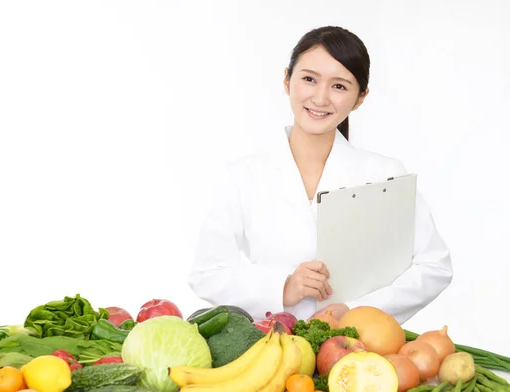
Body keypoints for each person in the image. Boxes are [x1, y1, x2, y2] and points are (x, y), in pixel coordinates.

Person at [187, 25, 453, 325]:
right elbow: (206, 274)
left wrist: (358, 309)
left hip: (359, 353)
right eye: (309, 79)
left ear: (360, 97)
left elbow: (435, 266)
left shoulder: (385, 175)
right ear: (287, 80)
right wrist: (282, 289)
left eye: (339, 86)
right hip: (271, 348)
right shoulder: (243, 176)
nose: (321, 98)